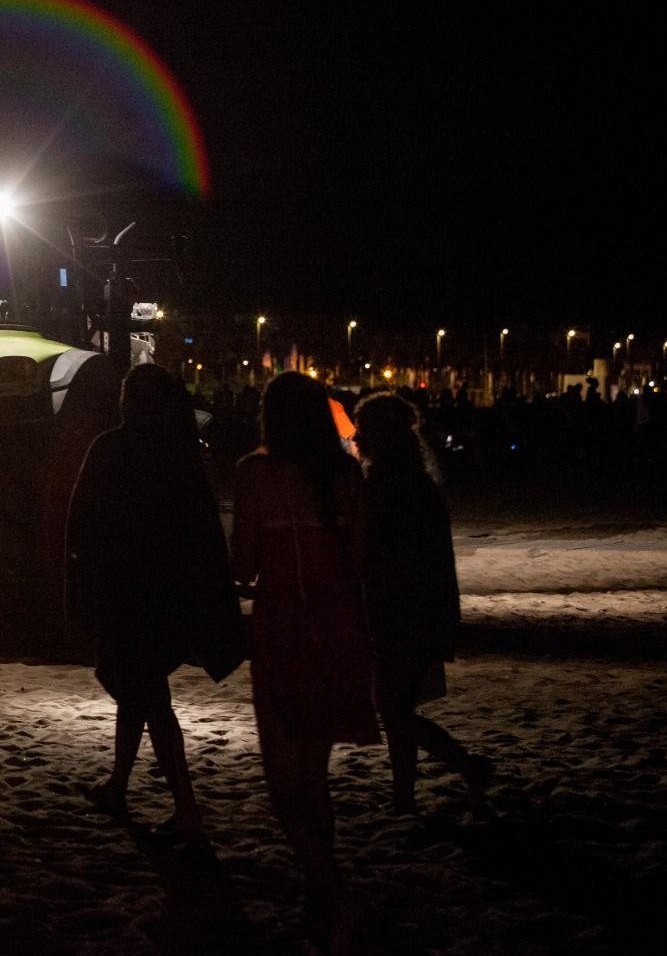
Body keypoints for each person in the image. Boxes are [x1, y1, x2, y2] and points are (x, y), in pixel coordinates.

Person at [66, 364, 244, 836]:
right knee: (141, 692)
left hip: (129, 593)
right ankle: (120, 784)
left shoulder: (112, 448)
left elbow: (83, 518)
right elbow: (201, 531)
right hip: (166, 595)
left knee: (148, 697)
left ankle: (185, 807)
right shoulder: (178, 454)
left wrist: (83, 577)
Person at [231, 371, 377, 946]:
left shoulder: (256, 473)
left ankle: (335, 896)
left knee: (284, 786)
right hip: (340, 627)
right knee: (314, 776)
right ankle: (321, 892)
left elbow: (243, 566)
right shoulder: (344, 474)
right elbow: (362, 562)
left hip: (285, 627)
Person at [352, 392, 491, 814]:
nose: (356, 437)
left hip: (403, 611)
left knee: (394, 710)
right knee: (398, 706)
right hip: (420, 608)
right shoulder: (413, 480)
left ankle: (466, 766)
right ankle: (404, 795)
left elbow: (386, 553)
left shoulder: (389, 484)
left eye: (363, 428)